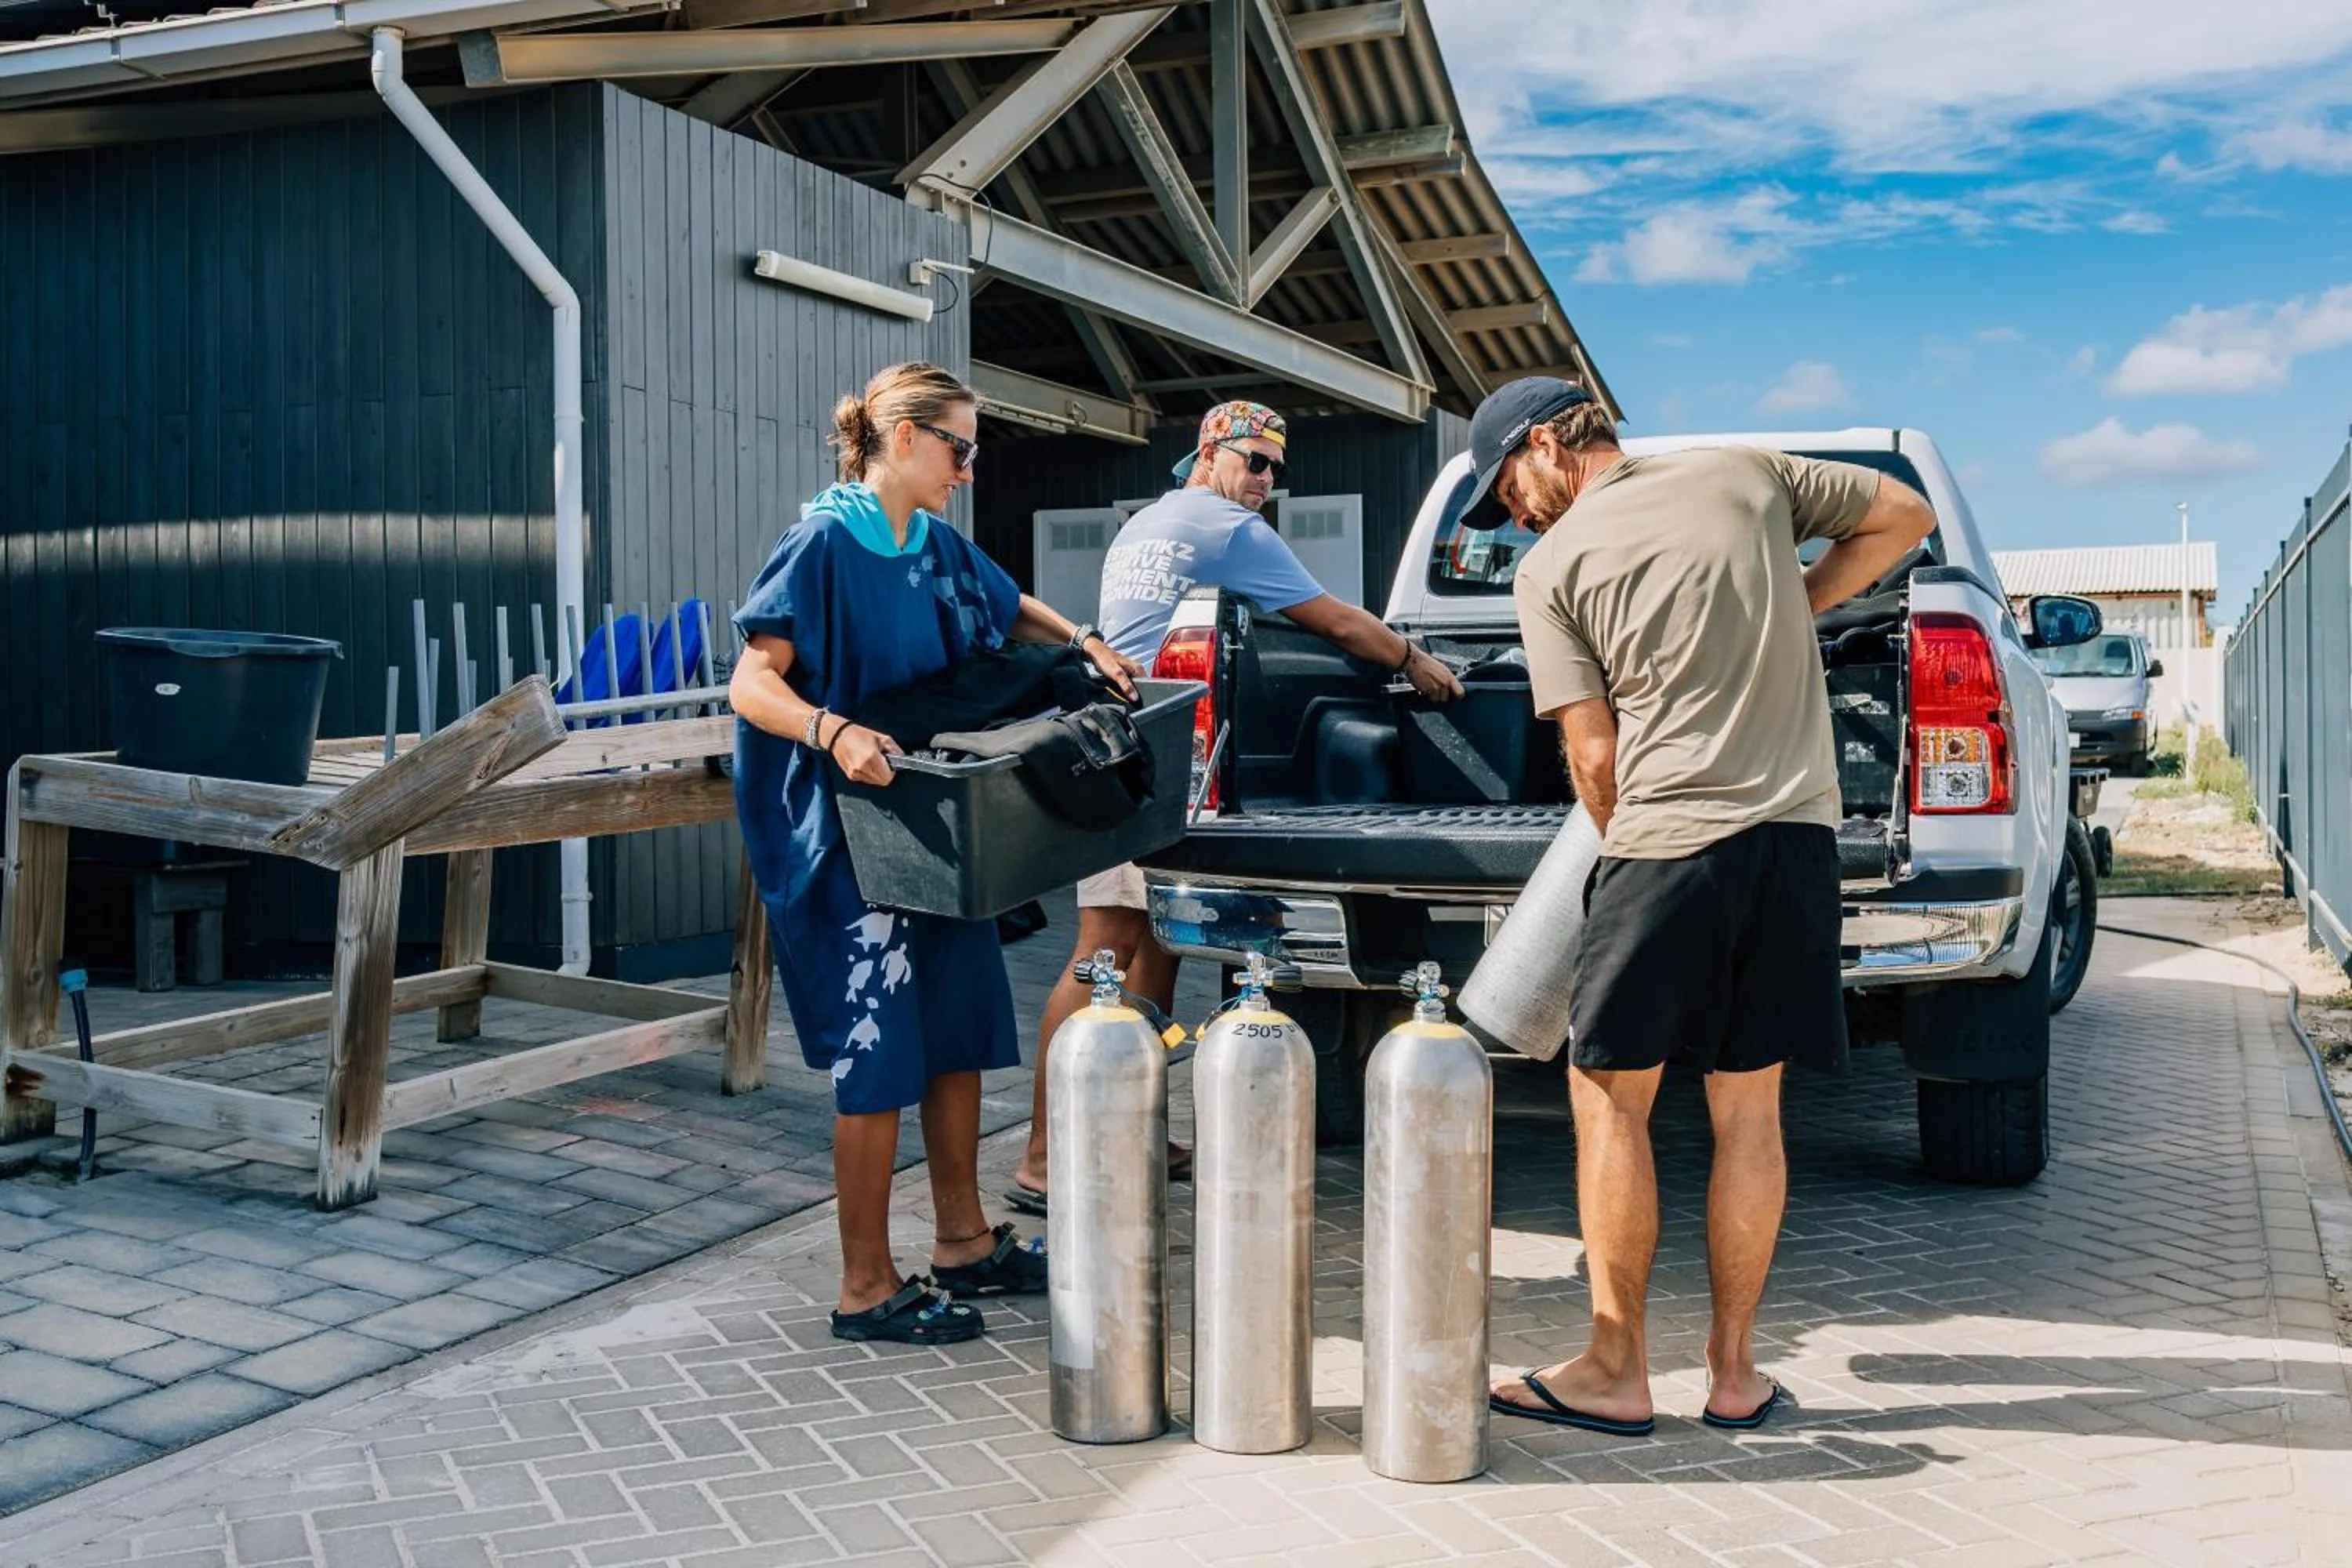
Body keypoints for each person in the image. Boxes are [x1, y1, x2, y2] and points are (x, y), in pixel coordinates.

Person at [1462, 377, 1936, 1434]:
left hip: (1666, 844)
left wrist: (1623, 850)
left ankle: (1616, 1371)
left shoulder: (1551, 569)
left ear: (1548, 443)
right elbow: (1908, 516)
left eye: (1509, 486)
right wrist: (1796, 601)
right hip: (1797, 841)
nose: (1515, 516)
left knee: (1610, 1098)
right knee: (1748, 1107)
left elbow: (1592, 756)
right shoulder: (1744, 471)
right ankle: (1733, 1375)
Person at [729, 362, 1143, 1345]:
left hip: (937, 830)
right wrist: (832, 731)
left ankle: (962, 1240)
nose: (968, 461)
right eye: (959, 443)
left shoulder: (938, 543)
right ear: (903, 438)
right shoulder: (823, 542)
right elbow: (750, 682)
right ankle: (866, 1285)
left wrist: (1087, 640)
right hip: (849, 829)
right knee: (878, 1057)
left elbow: (1012, 606)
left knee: (958, 1031)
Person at [1005, 401, 1465, 1214]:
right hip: (1141, 761)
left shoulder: (1152, 519)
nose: (1266, 483)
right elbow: (1333, 620)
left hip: (1125, 743)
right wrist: (1413, 658)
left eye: (1276, 472)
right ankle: (1045, 1156)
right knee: (1104, 950)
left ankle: (1132, 1129)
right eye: (1255, 462)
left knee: (1158, 946)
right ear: (1210, 450)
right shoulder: (1225, 526)